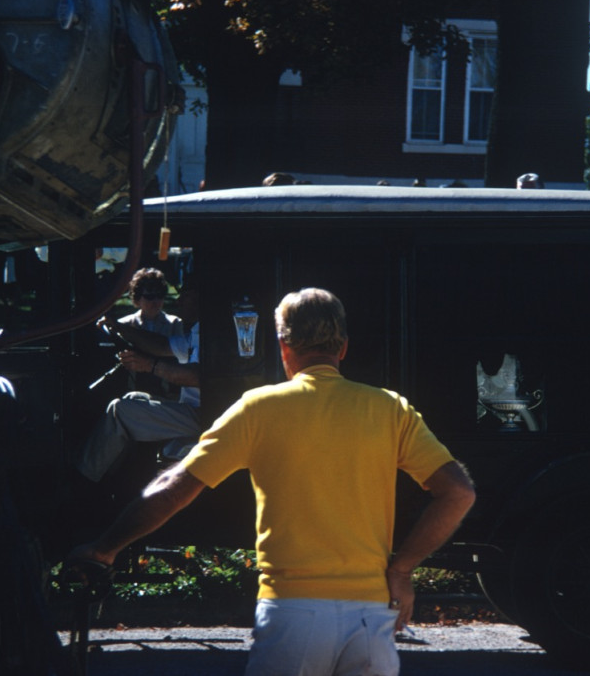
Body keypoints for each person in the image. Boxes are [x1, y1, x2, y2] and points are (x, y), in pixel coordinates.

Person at [67, 288, 476, 676]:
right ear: (343, 348)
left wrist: (105, 548)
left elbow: (173, 489)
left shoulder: (258, 408)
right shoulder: (392, 409)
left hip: (292, 612)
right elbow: (458, 493)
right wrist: (402, 570)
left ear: (283, 347)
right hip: (371, 616)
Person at [77, 280, 201, 481]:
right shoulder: (197, 331)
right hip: (194, 410)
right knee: (133, 397)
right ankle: (112, 479)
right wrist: (120, 328)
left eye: (185, 295)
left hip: (204, 415)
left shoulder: (212, 333)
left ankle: (82, 479)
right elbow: (162, 345)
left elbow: (197, 376)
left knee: (121, 410)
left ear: (198, 298)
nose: (178, 302)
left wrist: (149, 366)